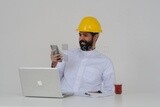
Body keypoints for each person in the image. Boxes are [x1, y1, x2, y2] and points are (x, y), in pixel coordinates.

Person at [51, 16, 115, 96]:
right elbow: (53, 81)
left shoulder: (105, 62)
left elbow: (109, 91)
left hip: (87, 102)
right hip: (62, 100)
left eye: (85, 35)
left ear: (95, 37)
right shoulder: (67, 55)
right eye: (80, 35)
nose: (81, 38)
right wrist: (54, 64)